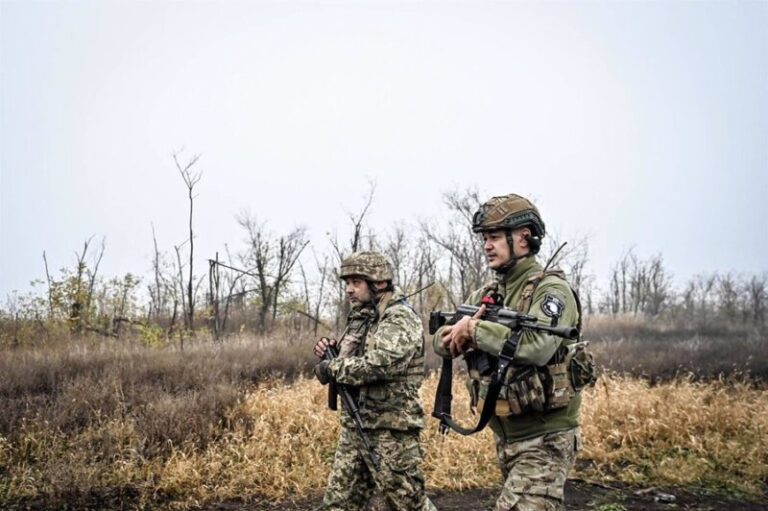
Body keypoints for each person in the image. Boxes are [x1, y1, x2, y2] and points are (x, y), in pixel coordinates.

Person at [433, 194, 589, 511]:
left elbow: (537, 346)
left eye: (493, 237)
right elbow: (440, 338)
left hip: (546, 438)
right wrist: (457, 335)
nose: (486, 246)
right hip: (507, 437)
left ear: (523, 238)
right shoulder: (488, 294)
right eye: (484, 238)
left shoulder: (551, 291)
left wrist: (476, 331)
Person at [313, 251, 436, 511]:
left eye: (356, 282)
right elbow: (353, 361)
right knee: (339, 504)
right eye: (347, 283)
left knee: (408, 504)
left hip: (391, 429)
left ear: (378, 282)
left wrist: (333, 367)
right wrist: (331, 352)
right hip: (356, 425)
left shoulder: (399, 318)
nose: (349, 289)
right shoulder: (362, 317)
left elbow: (380, 364)